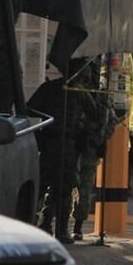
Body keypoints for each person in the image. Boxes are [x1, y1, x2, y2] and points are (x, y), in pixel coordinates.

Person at [28, 64, 90, 243]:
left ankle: (47, 225)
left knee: (51, 186)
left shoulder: (50, 88)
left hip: (56, 142)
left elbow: (29, 107)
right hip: (60, 143)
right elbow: (95, 114)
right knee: (61, 187)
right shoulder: (79, 93)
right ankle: (56, 228)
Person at [72, 59, 116, 241]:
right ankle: (52, 221)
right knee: (65, 185)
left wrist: (97, 138)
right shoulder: (74, 92)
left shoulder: (99, 97)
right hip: (70, 143)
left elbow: (110, 121)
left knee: (84, 186)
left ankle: (77, 225)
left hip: (87, 145)